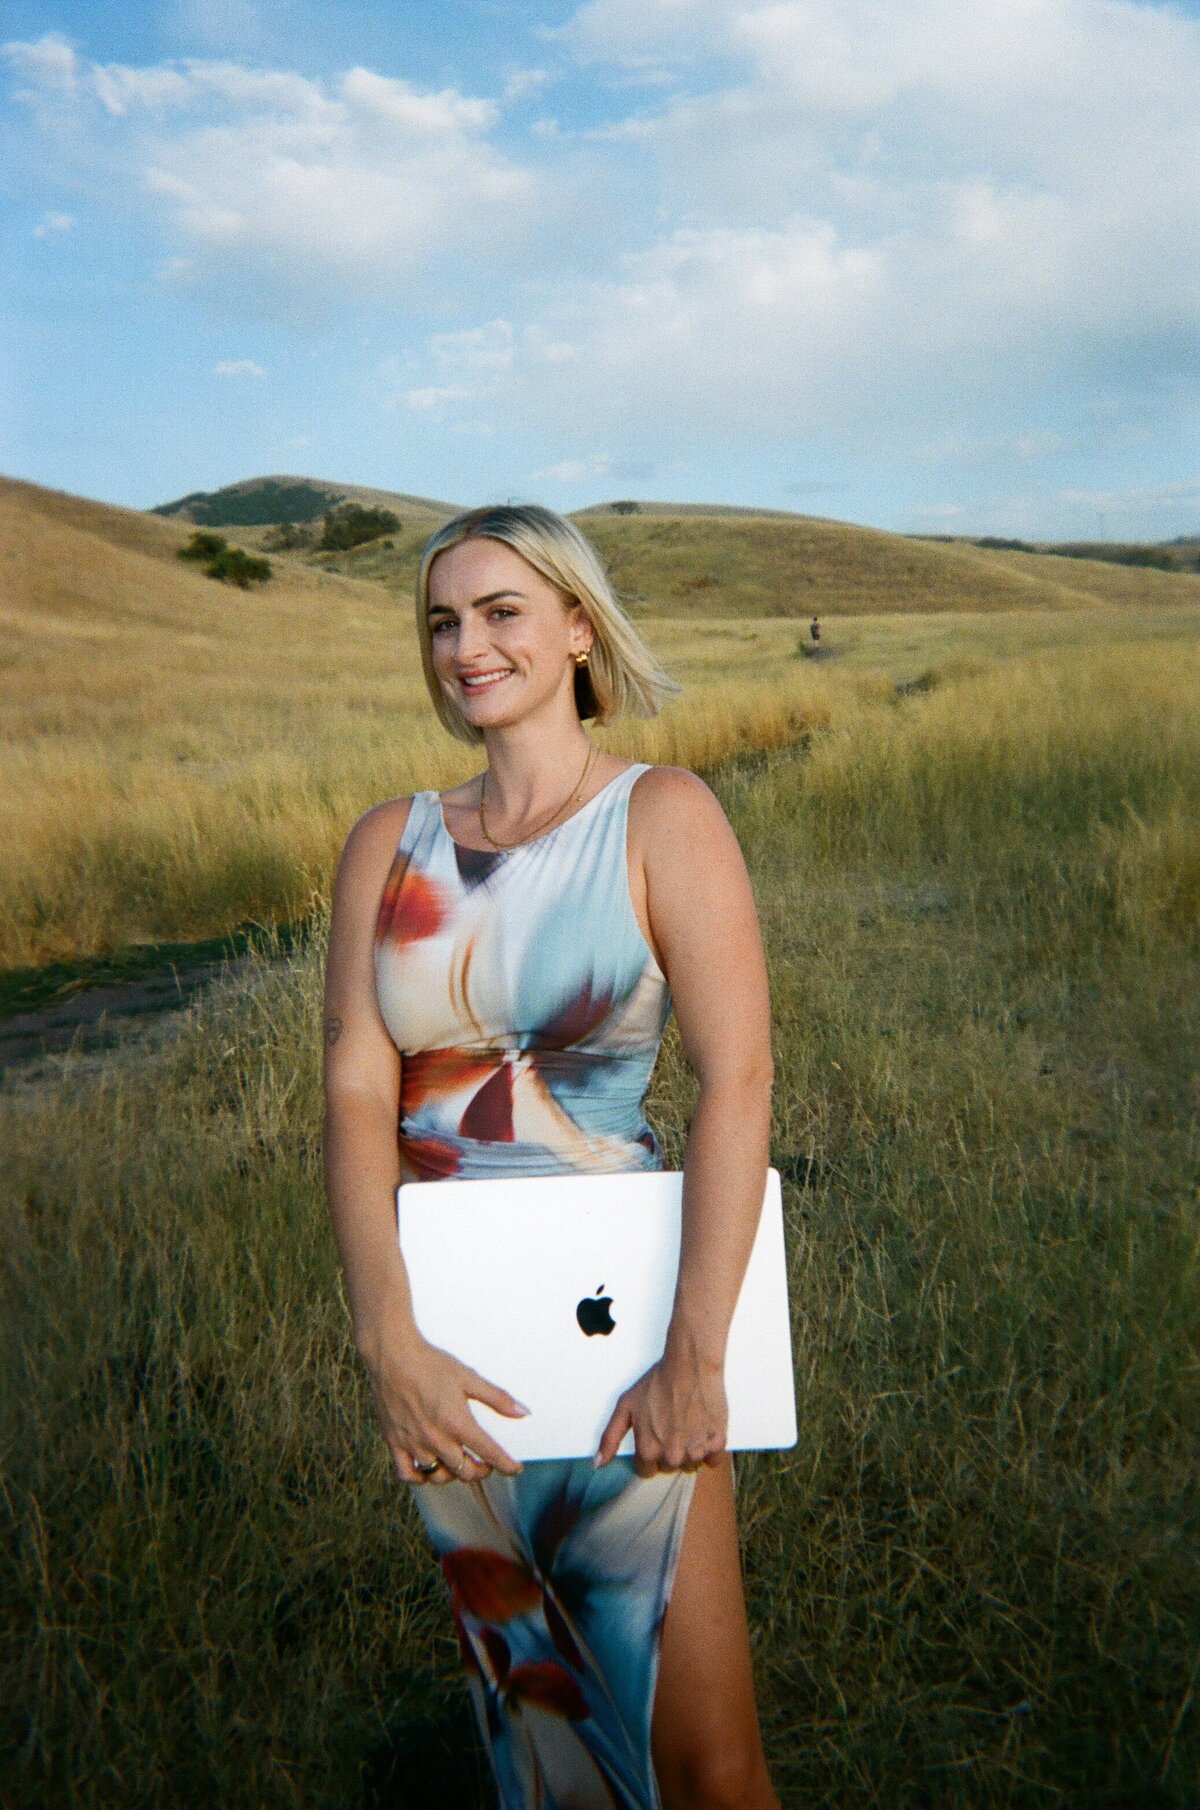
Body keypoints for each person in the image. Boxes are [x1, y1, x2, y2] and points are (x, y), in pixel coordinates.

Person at [322, 503, 780, 1809]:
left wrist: (698, 1347)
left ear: (579, 628)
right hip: (451, 1357)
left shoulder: (663, 815)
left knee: (707, 1762)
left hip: (627, 1337)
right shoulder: (386, 842)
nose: (468, 644)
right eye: (443, 620)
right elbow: (358, 1084)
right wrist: (386, 1341)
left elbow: (737, 1079)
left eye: (503, 610)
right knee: (541, 1743)